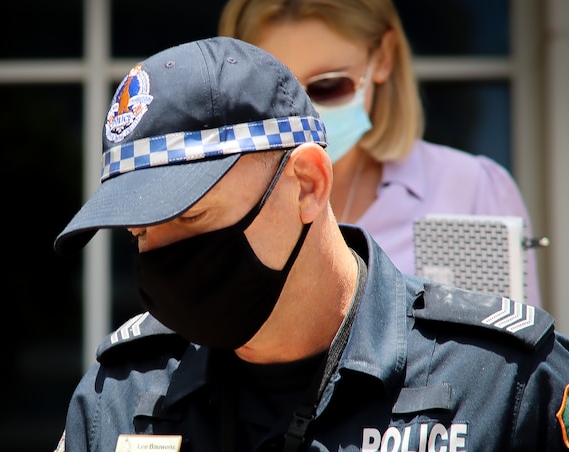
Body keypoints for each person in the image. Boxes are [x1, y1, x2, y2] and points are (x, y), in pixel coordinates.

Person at [0, 37, 569, 452]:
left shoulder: (503, 384)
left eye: (190, 217)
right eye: (139, 234)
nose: (162, 259)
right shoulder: (117, 396)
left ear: (307, 183)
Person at [218, 0, 544, 306]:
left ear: (383, 58)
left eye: (329, 85)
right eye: (278, 91)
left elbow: (517, 357)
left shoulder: (472, 191)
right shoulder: (217, 199)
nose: (304, 113)